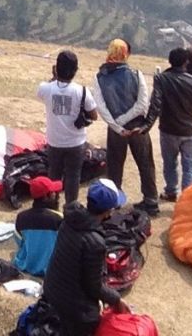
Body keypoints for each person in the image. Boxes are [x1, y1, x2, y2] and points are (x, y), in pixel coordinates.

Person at [43, 179, 132, 336]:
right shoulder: (95, 242)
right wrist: (116, 299)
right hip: (72, 308)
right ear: (108, 212)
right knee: (89, 320)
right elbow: (94, 286)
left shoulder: (70, 219)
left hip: (52, 290)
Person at [91, 38, 160, 215]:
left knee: (114, 166)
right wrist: (126, 121)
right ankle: (151, 201)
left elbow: (101, 107)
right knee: (146, 164)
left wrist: (118, 125)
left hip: (115, 129)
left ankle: (113, 202)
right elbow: (142, 104)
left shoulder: (99, 77)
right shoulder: (136, 74)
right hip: (138, 126)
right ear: (125, 54)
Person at [36, 50, 98, 204]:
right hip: (76, 142)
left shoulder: (45, 88)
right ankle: (71, 207)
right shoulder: (82, 91)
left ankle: (52, 204)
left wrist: (54, 77)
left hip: (54, 142)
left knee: (53, 175)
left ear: (56, 68)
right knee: (73, 176)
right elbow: (94, 115)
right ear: (76, 70)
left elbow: (43, 91)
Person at [142, 47, 192, 202]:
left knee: (170, 162)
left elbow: (155, 104)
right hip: (189, 129)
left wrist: (146, 126)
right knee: (190, 165)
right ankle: (187, 200)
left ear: (169, 61)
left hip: (168, 128)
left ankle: (171, 191)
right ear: (186, 61)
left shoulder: (162, 79)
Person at [13, 175, 64, 277]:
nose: (57, 195)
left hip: (26, 265)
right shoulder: (59, 218)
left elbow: (20, 242)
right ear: (47, 196)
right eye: (53, 193)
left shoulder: (21, 217)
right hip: (52, 269)